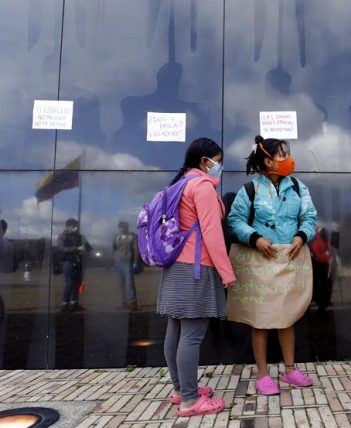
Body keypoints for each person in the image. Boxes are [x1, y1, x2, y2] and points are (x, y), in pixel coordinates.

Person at [228, 135, 317, 396]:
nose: (289, 159)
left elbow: (309, 216)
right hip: (261, 262)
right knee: (262, 320)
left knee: (287, 317)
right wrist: (254, 239)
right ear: (268, 160)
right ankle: (263, 374)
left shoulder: (299, 188)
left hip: (289, 259)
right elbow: (235, 221)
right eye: (283, 155)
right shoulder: (250, 190)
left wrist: (302, 235)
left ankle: (290, 370)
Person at [156, 137, 235, 417]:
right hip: (196, 268)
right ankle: (190, 401)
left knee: (175, 331)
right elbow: (213, 235)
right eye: (219, 160)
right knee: (191, 336)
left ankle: (180, 390)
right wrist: (227, 272)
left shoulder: (179, 185)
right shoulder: (201, 187)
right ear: (205, 161)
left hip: (175, 267)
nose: (220, 166)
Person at [57, 218, 91, 312]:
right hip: (67, 261)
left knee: (77, 282)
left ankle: (74, 303)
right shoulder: (62, 236)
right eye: (74, 226)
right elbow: (61, 248)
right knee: (70, 282)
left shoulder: (80, 236)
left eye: (77, 226)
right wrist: (77, 248)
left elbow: (88, 247)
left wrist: (86, 248)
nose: (77, 228)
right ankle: (64, 303)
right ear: (68, 226)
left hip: (78, 261)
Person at [113, 220, 138, 310]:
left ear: (126, 227)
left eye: (123, 227)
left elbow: (136, 250)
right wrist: (114, 259)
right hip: (118, 262)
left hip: (128, 262)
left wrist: (135, 262)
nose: (121, 228)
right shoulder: (116, 237)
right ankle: (123, 302)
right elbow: (114, 249)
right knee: (121, 283)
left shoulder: (132, 237)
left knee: (130, 283)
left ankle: (133, 302)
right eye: (120, 227)